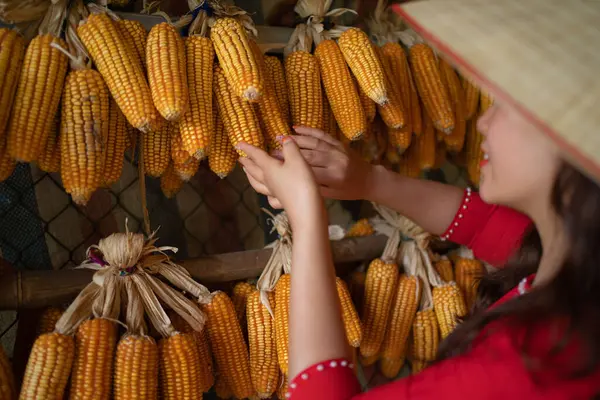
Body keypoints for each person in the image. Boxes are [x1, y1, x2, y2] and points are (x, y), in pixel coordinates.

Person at [238, 0, 600, 398]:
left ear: (572, 146)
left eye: (506, 105)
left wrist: (306, 216)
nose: (482, 119)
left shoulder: (525, 367)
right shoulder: (578, 279)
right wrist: (369, 181)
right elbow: (489, 227)